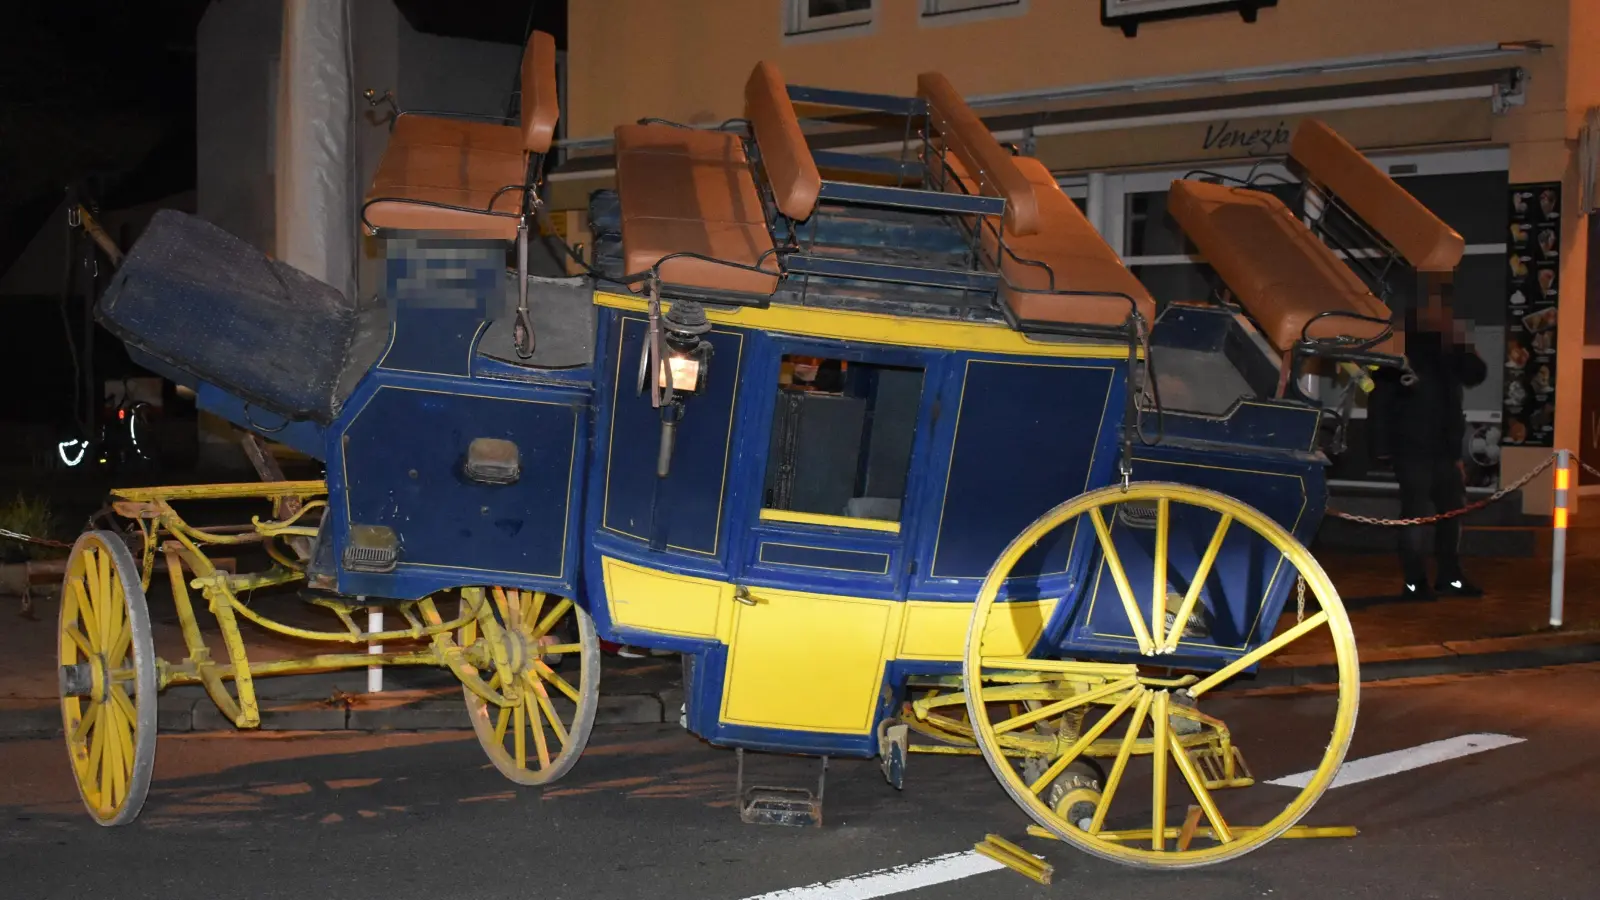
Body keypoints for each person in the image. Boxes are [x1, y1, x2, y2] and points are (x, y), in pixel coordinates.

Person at [1368, 296, 1488, 600]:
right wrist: (1382, 447)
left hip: (1444, 450)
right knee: (1415, 516)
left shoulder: (1448, 351)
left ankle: (1450, 577)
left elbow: (1476, 374)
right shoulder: (1399, 351)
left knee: (1451, 514)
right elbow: (1380, 399)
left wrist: (1459, 342)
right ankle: (1414, 582)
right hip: (1411, 449)